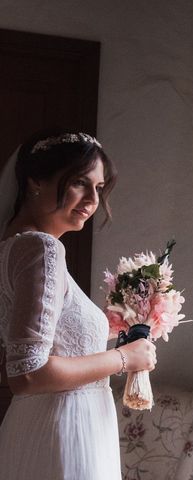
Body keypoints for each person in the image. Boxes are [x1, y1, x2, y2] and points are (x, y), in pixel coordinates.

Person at [0, 130, 157, 480]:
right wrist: (125, 358)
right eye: (78, 183)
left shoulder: (12, 247)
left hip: (45, 424)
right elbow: (27, 373)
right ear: (35, 180)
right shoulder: (42, 249)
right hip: (64, 430)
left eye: (99, 188)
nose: (92, 199)